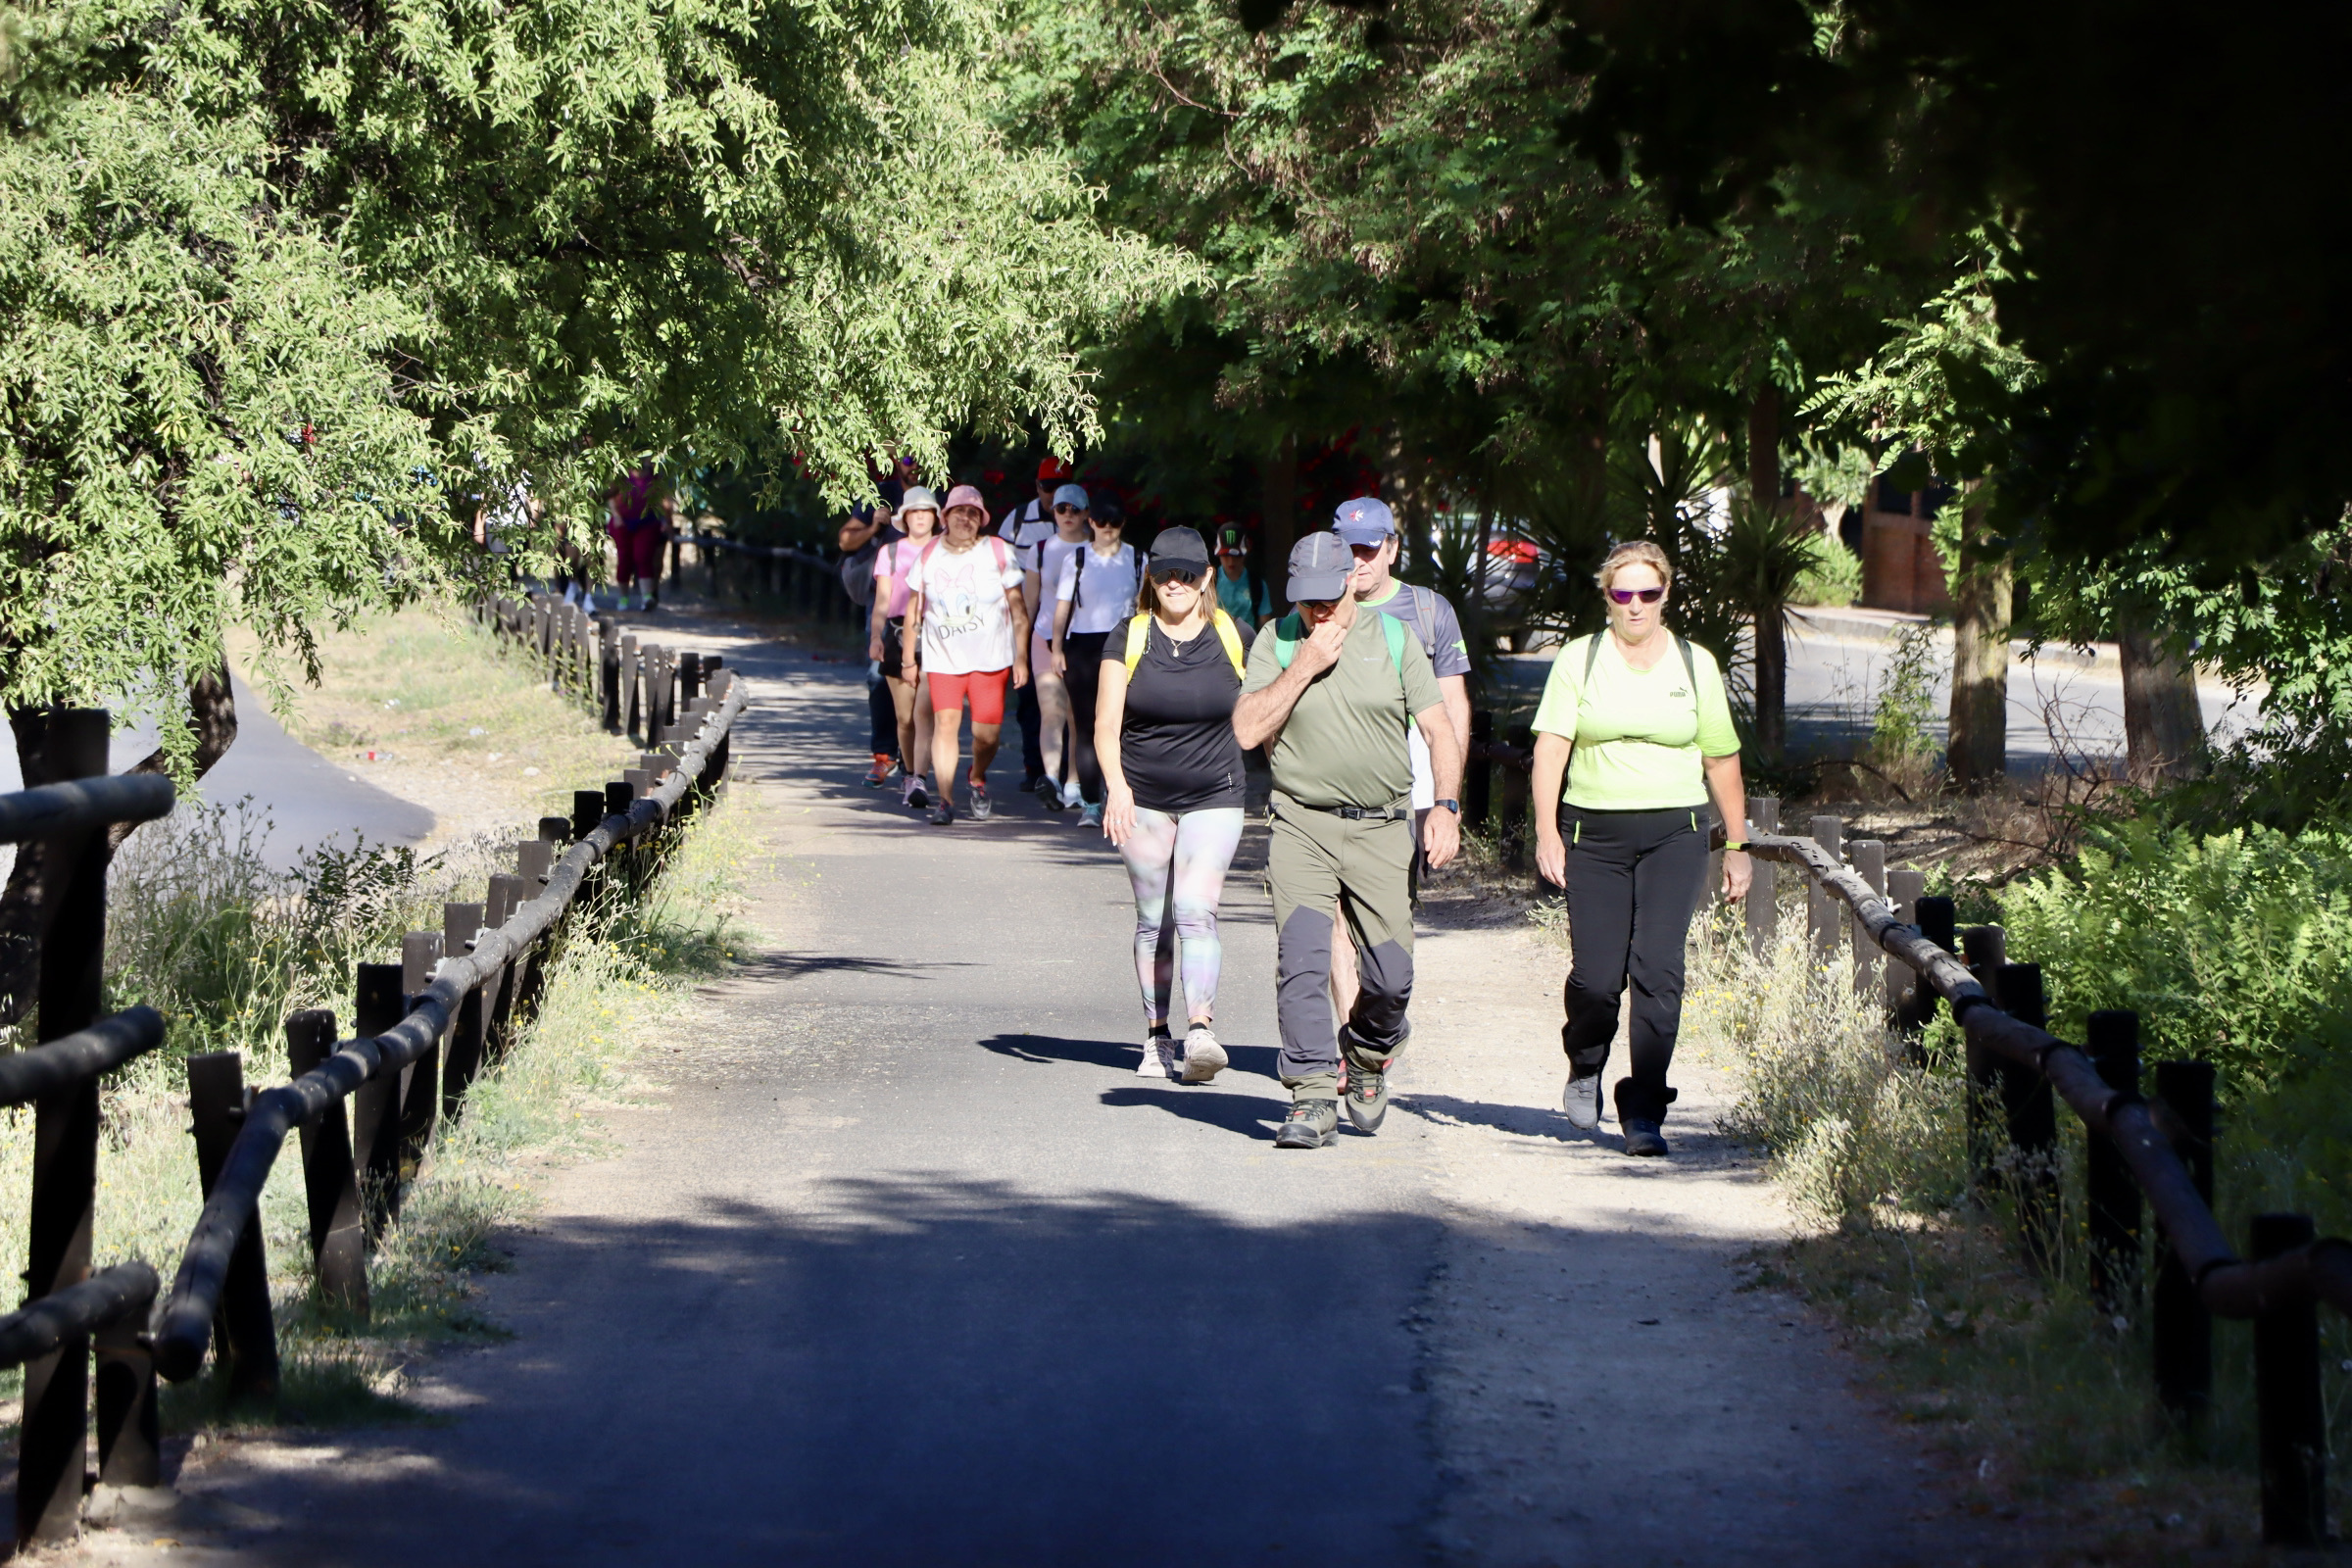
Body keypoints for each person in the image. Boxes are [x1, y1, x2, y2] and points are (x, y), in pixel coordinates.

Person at [1233, 533, 1462, 1150]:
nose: (1318, 612)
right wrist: (1304, 663)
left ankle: (1365, 1051)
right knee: (1301, 962)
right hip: (1303, 823)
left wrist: (1445, 806)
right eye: (1306, 601)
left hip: (1383, 828)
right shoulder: (1277, 640)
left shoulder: (1394, 638)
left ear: (1351, 581)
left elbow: (1440, 731)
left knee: (1391, 978)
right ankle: (1310, 1097)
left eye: (1327, 598)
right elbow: (1248, 730)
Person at [1530, 540, 1750, 1158]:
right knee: (1598, 980)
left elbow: (1721, 757)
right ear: (1606, 597)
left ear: (1665, 595)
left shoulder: (1694, 663)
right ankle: (1585, 1059)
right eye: (1621, 593)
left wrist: (1737, 843)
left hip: (1674, 834)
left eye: (1647, 593)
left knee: (1658, 971)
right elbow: (1550, 749)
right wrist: (1547, 830)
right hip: (1593, 835)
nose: (1634, 605)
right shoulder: (1580, 659)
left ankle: (1645, 1106)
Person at [1097, 526, 1251, 1082]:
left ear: (1207, 576)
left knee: (1194, 908)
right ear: (1151, 577)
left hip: (1216, 791)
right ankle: (1157, 1036)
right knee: (1152, 920)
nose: (1176, 583)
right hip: (1142, 794)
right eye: (1165, 573)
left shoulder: (1236, 637)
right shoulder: (1129, 636)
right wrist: (1116, 786)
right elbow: (1105, 725)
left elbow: (1267, 714)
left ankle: (1201, 1030)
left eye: (1188, 573)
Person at [1324, 497, 1475, 1019]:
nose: (1358, 560)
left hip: (1407, 789)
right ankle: (1351, 1041)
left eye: (1368, 548)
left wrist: (1447, 804)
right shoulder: (1316, 604)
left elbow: (1452, 709)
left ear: (1391, 547)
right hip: (1332, 788)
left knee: (1388, 919)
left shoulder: (1429, 611)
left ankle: (1377, 1018)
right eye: (1348, 549)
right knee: (1336, 916)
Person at [903, 485, 1031, 826]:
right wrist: (908, 659)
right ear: (945, 517)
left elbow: (1018, 610)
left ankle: (977, 776)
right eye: (959, 511)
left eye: (973, 513)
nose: (965, 518)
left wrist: (1021, 658)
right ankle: (944, 800)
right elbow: (912, 610)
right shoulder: (930, 554)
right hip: (942, 658)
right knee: (945, 724)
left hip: (991, 659)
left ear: (981, 520)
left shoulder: (997, 551)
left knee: (986, 735)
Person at [1052, 498, 1145, 829]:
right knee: (1088, 725)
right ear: (1090, 522)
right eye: (1101, 520)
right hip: (1084, 645)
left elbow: (1146, 606)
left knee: (1126, 724)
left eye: (1114, 521)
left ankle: (1123, 795)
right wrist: (1056, 648)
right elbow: (1063, 607)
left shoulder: (1137, 558)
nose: (1107, 528)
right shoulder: (1077, 558)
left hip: (1125, 642)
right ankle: (1091, 801)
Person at [1003, 457, 1075, 793]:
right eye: (1048, 487)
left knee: (1072, 703)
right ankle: (1036, 767)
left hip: (1075, 626)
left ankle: (1066, 773)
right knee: (1032, 698)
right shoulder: (1018, 521)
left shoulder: (1083, 528)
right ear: (1037, 487)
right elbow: (998, 568)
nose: (1054, 496)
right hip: (1031, 619)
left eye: (1061, 487)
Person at [1022, 484, 1094, 811]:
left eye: (1075, 509)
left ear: (1086, 515)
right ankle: (1051, 778)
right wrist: (1018, 654)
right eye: (1062, 508)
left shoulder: (1098, 551)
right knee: (1051, 711)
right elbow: (1029, 604)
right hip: (1044, 637)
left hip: (1082, 639)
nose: (1068, 515)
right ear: (1054, 512)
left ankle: (1074, 782)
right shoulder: (1040, 549)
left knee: (1077, 715)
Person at [870, 488, 940, 810]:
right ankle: (909, 771)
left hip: (938, 632)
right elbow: (882, 601)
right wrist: (875, 636)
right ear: (905, 517)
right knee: (905, 716)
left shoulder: (943, 549)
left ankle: (919, 777)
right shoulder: (891, 552)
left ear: (935, 516)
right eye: (915, 511)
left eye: (927, 511)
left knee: (925, 711)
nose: (921, 516)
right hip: (898, 633)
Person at [840, 497, 905, 787]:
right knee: (879, 676)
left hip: (931, 607)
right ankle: (885, 755)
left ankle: (916, 764)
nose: (912, 463)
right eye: (906, 457)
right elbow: (845, 541)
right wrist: (874, 527)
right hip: (884, 603)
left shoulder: (941, 492)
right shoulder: (879, 495)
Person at [607, 468, 668, 612]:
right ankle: (623, 597)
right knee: (624, 559)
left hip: (647, 522)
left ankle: (647, 597)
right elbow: (610, 495)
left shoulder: (655, 475)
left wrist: (664, 519)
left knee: (643, 557)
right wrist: (616, 515)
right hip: (623, 522)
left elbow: (662, 499)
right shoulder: (620, 473)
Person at [1212, 524, 1274, 635]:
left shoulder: (1258, 585)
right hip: (1214, 645)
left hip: (1247, 646)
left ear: (1247, 551)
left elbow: (1265, 625)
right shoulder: (1209, 583)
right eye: (1226, 555)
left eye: (1237, 555)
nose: (1231, 561)